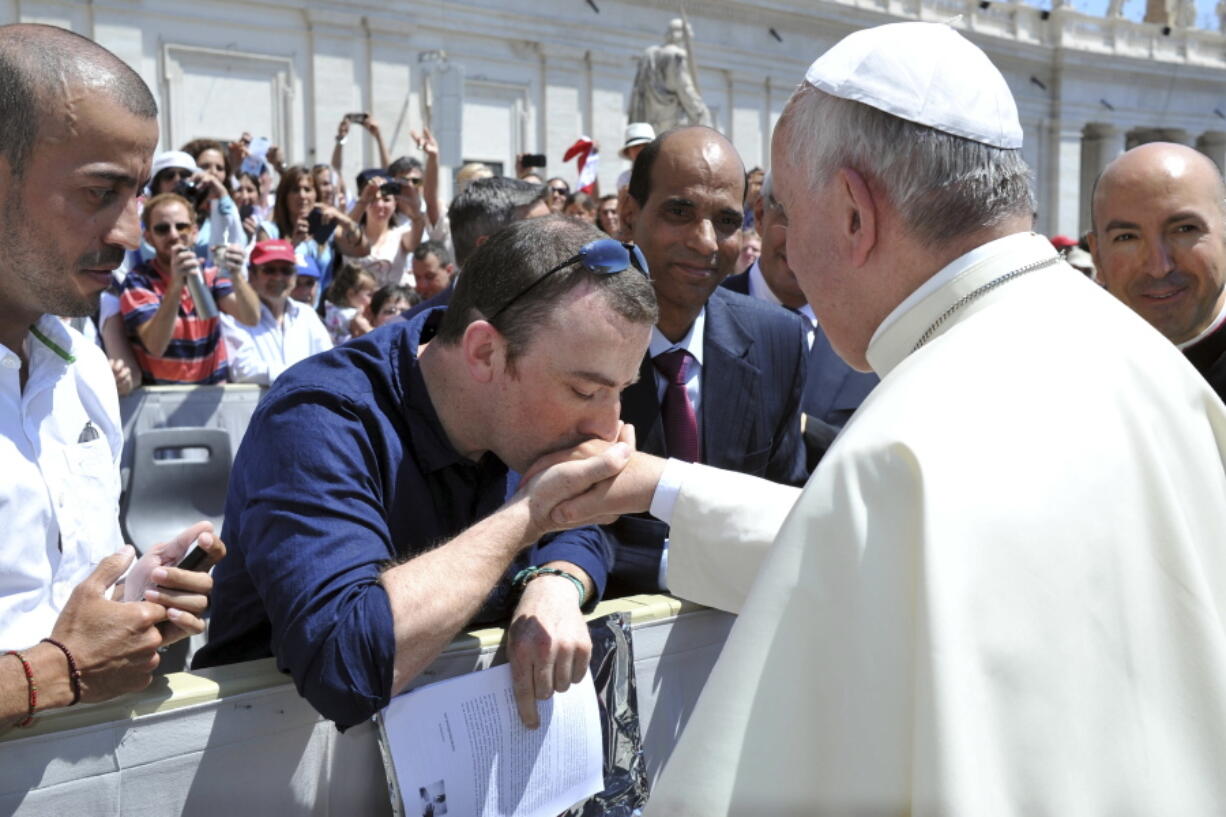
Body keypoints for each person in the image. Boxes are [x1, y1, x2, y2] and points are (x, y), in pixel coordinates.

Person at [540, 22, 1226, 814]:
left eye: (788, 215)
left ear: (857, 215)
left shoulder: (900, 445)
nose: (775, 251)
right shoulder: (1150, 367)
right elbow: (888, 559)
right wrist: (658, 484)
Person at [193, 216, 658, 734]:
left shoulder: (528, 422)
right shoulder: (315, 420)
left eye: (621, 390)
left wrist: (557, 581)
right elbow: (345, 670)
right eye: (585, 391)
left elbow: (577, 522)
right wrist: (530, 514)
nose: (607, 425)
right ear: (484, 352)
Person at [0, 23, 225, 730]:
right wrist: (54, 673)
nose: (131, 233)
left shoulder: (83, 364)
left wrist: (135, 598)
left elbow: (52, 604)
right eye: (100, 193)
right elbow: (63, 659)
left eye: (136, 193)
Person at [608, 126, 808, 595]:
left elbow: (783, 508)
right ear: (628, 214)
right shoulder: (565, 338)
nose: (705, 242)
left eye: (726, 221)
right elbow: (548, 521)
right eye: (680, 212)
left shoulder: (777, 339)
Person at [723, 172, 878, 466]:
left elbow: (880, 459)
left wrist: (806, 428)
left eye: (825, 222)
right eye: (790, 215)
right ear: (759, 215)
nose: (804, 240)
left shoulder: (874, 340)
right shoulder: (699, 314)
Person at [1089, 142, 1226, 399]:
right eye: (1127, 237)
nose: (1159, 267)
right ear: (1097, 256)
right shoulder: (1068, 375)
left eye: (1184, 230)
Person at [120, 193, 261, 384]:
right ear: (149, 238)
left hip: (210, 397)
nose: (174, 235)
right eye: (162, 229)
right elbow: (155, 345)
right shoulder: (138, 281)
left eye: (182, 226)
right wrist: (176, 285)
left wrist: (236, 275)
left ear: (195, 232)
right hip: (160, 402)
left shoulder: (210, 274)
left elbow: (251, 318)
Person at [402, 177, 550, 321]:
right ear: (490, 248)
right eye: (539, 235)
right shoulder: (406, 337)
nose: (558, 241)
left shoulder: (559, 309)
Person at [220, 239, 332, 385]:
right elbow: (242, 370)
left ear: (294, 275)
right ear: (251, 274)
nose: (278, 277)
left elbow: (328, 362)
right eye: (269, 270)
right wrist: (301, 376)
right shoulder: (234, 315)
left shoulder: (307, 314)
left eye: (286, 271)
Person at [628, 19, 712, 134]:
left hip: (648, 122)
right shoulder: (676, 56)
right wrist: (701, 112)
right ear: (680, 37)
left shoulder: (649, 54)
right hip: (670, 122)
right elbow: (685, 89)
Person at [322, 263, 376, 345]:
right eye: (369, 295)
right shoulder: (352, 316)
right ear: (351, 294)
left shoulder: (331, 308)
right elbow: (370, 334)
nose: (372, 299)